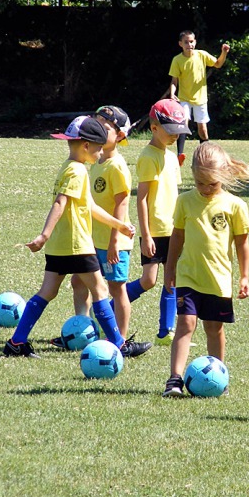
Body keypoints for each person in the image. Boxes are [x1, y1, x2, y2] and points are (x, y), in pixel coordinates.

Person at [3, 116, 146, 359]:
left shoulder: (67, 167)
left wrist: (119, 225)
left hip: (60, 245)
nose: (101, 153)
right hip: (77, 245)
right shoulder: (78, 171)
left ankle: (16, 342)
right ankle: (119, 345)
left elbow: (88, 205)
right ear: (86, 146)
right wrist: (43, 235)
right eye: (99, 148)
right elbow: (61, 202)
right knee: (100, 290)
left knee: (47, 292)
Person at [161, 142, 249, 397]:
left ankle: (219, 377)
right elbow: (177, 238)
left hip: (218, 280)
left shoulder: (235, 205)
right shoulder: (184, 201)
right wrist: (170, 269)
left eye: (212, 184)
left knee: (214, 328)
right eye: (200, 183)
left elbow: (242, 243)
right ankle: (174, 380)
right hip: (188, 276)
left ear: (223, 176)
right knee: (185, 323)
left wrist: (245, 276)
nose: (205, 189)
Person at [59, 106, 152, 357]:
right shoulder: (95, 161)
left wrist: (114, 241)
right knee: (78, 281)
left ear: (121, 136)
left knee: (116, 288)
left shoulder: (117, 166)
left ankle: (118, 341)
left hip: (114, 242)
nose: (100, 130)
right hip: (92, 239)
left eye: (107, 127)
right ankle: (82, 331)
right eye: (97, 124)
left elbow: (122, 203)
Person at [125, 99, 189, 346]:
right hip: (154, 230)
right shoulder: (148, 157)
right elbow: (141, 199)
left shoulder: (172, 158)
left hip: (174, 229)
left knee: (171, 279)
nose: (175, 136)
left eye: (179, 132)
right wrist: (147, 235)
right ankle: (109, 309)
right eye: (171, 131)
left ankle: (166, 332)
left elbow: (175, 194)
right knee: (149, 281)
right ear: (154, 128)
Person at [168, 30, 230, 165]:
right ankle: (180, 155)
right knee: (183, 123)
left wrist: (224, 52)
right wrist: (173, 94)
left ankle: (205, 154)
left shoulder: (202, 55)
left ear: (195, 42)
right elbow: (174, 81)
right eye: (186, 42)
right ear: (180, 44)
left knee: (203, 129)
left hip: (200, 99)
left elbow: (218, 64)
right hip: (184, 98)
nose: (189, 44)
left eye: (191, 41)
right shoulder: (177, 60)